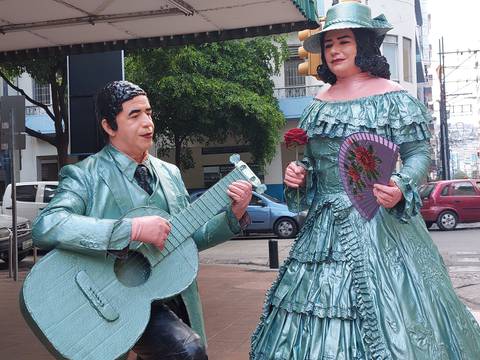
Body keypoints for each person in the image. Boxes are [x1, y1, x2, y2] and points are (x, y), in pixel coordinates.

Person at [250, 2, 480, 359]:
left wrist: (401, 185)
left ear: (363, 45)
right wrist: (299, 176)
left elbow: (420, 154)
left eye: (344, 41)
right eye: (328, 45)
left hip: (381, 222)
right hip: (324, 230)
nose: (335, 51)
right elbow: (312, 163)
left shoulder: (393, 97)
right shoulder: (317, 104)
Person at [32, 80, 252, 360]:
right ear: (109, 127)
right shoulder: (84, 175)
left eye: (148, 113)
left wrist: (233, 216)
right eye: (134, 116)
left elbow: (188, 238)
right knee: (187, 350)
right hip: (109, 298)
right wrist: (131, 229)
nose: (148, 123)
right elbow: (47, 225)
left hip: (171, 294)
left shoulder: (170, 173)